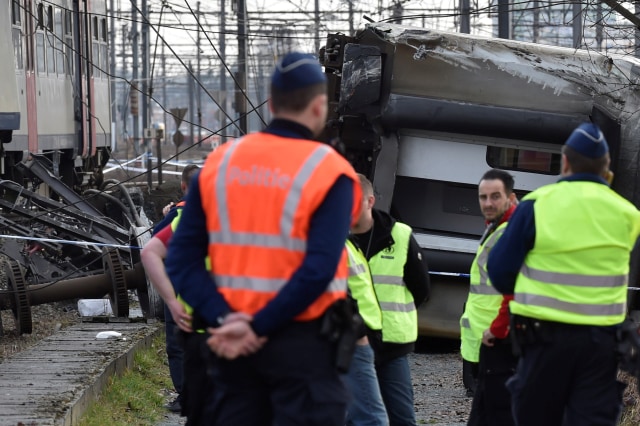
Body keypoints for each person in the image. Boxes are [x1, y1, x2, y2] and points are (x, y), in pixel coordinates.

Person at [165, 52, 362, 426]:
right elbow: (317, 269)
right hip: (302, 348)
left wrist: (227, 319)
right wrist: (258, 326)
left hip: (231, 347)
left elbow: (180, 260)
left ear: (271, 104)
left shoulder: (221, 162)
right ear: (320, 107)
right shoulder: (329, 171)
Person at [487, 122, 640, 426]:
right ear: (606, 167)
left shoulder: (536, 205)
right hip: (600, 345)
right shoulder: (628, 214)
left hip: (544, 339)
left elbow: (500, 271)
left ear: (565, 161)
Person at [350, 174, 430, 426]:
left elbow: (421, 288)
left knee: (401, 418)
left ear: (370, 201)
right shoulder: (333, 237)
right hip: (351, 344)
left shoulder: (400, 235)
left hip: (391, 345)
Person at [461, 169, 517, 426]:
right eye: (483, 197)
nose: (488, 203)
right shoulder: (497, 229)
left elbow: (514, 290)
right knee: (483, 412)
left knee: (496, 414)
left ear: (510, 198)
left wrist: (498, 328)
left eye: (495, 196)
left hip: (501, 338)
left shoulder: (510, 233)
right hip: (489, 336)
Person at [143, 163, 199, 414]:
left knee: (177, 343)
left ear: (183, 186)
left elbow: (152, 246)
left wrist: (167, 214)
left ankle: (185, 395)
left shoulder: (178, 215)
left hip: (178, 290)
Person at [343, 212, 389, 425]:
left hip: (358, 334)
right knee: (372, 418)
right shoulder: (334, 238)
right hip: (351, 336)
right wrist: (358, 329)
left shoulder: (346, 240)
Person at [152, 164, 200, 235]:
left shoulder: (178, 211)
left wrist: (167, 216)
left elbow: (156, 236)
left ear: (183, 186)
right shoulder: (215, 208)